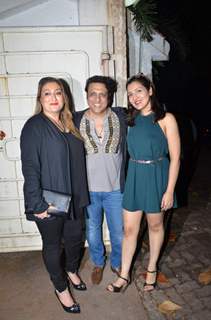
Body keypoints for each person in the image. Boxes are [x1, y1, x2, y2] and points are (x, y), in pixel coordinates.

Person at [20, 77, 89, 313]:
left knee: (74, 240)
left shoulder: (70, 123)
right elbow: (30, 167)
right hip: (49, 201)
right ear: (40, 99)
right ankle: (61, 288)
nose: (53, 98)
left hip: (75, 198)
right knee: (52, 246)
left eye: (58, 92)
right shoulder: (34, 126)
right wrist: (36, 202)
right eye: (47, 93)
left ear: (64, 97)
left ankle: (71, 270)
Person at [107, 73, 180, 293]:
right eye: (130, 94)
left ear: (150, 90)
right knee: (129, 230)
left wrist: (169, 190)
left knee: (156, 226)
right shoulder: (130, 119)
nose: (135, 97)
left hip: (157, 175)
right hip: (135, 176)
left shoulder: (166, 119)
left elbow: (176, 158)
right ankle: (124, 275)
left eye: (139, 90)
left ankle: (151, 270)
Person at [74, 75, 128, 285]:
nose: (97, 99)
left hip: (116, 189)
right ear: (87, 96)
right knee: (93, 233)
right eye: (93, 94)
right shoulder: (76, 119)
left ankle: (117, 263)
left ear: (109, 96)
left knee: (118, 233)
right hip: (88, 191)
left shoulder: (121, 116)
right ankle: (98, 262)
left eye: (102, 94)